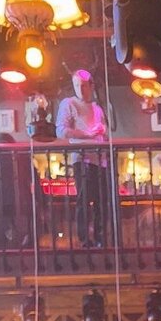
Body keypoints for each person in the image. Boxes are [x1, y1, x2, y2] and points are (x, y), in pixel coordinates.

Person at [55, 69, 110, 248]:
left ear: (91, 86)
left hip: (100, 159)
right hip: (82, 157)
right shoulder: (68, 103)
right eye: (77, 85)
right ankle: (85, 239)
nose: (80, 89)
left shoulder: (97, 108)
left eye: (84, 85)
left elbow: (104, 132)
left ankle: (101, 237)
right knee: (84, 199)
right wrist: (87, 134)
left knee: (102, 200)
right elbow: (61, 130)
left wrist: (101, 134)